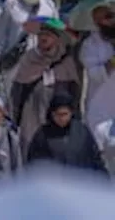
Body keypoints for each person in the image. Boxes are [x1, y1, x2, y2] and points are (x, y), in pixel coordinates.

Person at [10, 18, 81, 146]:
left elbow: (74, 92)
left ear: (57, 39)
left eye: (48, 35)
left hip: (58, 115)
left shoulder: (66, 62)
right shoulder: (29, 58)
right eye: (41, 34)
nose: (43, 38)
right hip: (32, 112)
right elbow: (17, 90)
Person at [25, 92, 106, 171]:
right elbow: (33, 164)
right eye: (58, 114)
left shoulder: (82, 132)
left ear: (71, 113)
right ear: (52, 114)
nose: (62, 118)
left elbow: (95, 160)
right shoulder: (42, 135)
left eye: (65, 114)